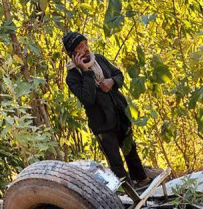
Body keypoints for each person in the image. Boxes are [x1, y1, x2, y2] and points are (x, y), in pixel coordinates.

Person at [63, 32, 149, 188]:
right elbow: (87, 99)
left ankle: (142, 181)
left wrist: (112, 81)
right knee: (115, 161)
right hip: (102, 123)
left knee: (130, 150)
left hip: (120, 113)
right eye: (80, 47)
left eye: (85, 44)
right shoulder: (72, 76)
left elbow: (119, 75)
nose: (85, 49)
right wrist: (86, 72)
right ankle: (129, 192)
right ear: (72, 53)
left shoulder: (100, 60)